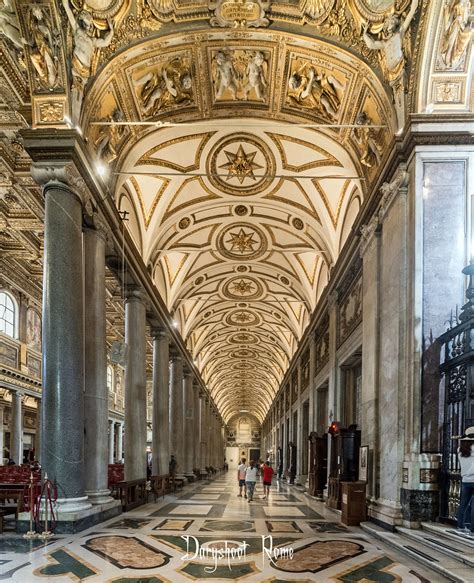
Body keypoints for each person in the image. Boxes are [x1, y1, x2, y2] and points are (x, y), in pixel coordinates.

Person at [458, 427, 474, 535]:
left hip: (465, 480)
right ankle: (473, 529)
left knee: (463, 505)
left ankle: (460, 526)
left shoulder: (460, 450)